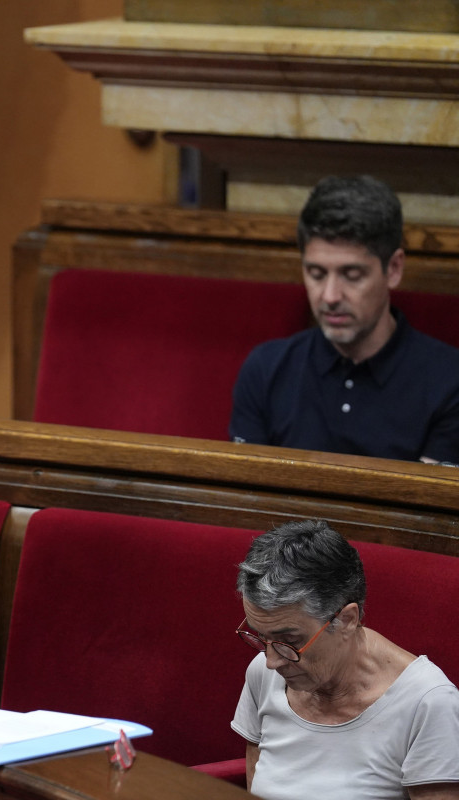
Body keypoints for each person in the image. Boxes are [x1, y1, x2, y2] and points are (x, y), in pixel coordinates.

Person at [229, 175, 459, 463]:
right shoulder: (266, 370)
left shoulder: (449, 382)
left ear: (394, 269)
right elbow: (247, 487)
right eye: (316, 274)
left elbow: (431, 493)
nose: (330, 296)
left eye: (352, 276)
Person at [232, 519, 459, 799]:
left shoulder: (428, 704)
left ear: (348, 620)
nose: (271, 661)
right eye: (261, 637)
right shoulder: (264, 673)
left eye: (289, 640)